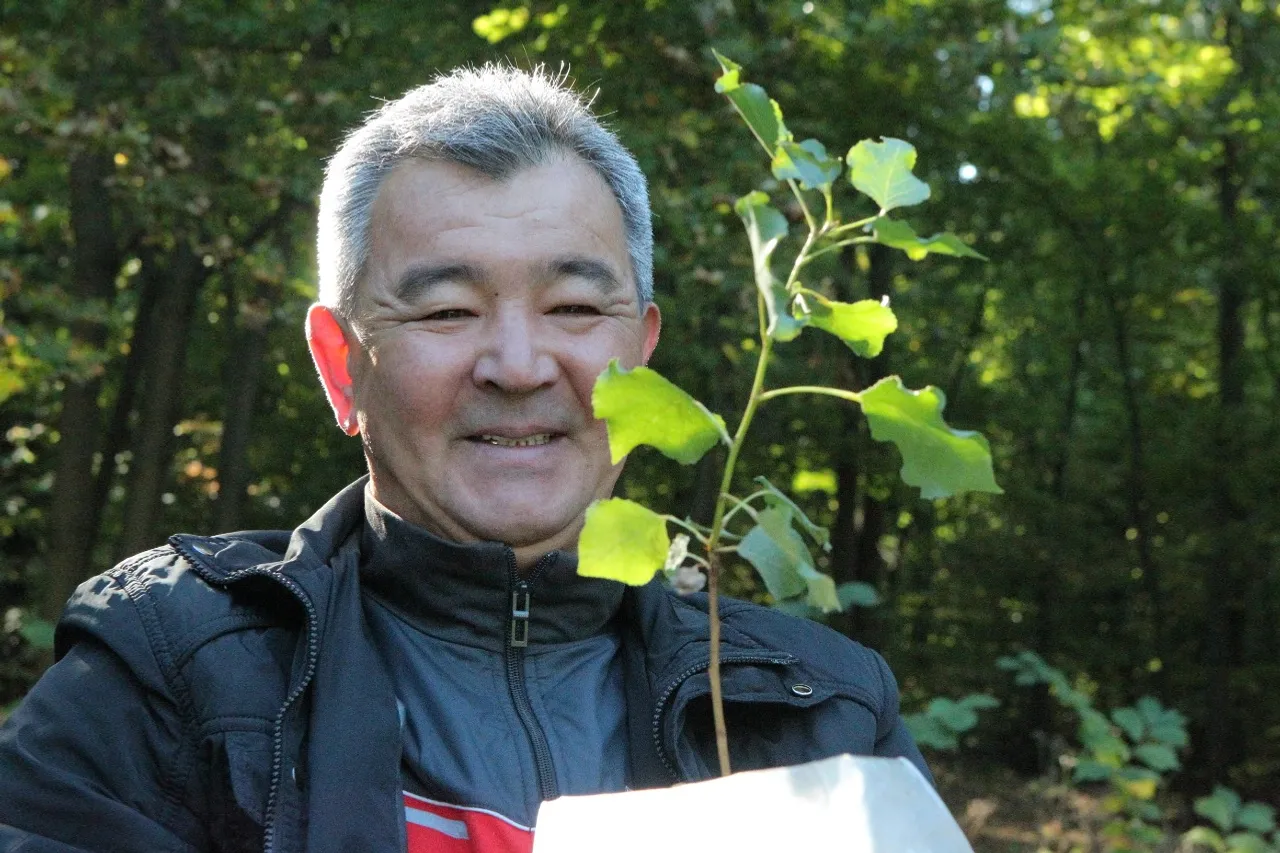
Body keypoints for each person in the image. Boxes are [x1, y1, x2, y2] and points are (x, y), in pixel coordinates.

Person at [0, 64, 929, 853]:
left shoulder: (819, 714)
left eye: (574, 308)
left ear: (642, 357)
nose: (519, 367)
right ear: (342, 366)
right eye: (447, 310)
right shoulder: (168, 672)